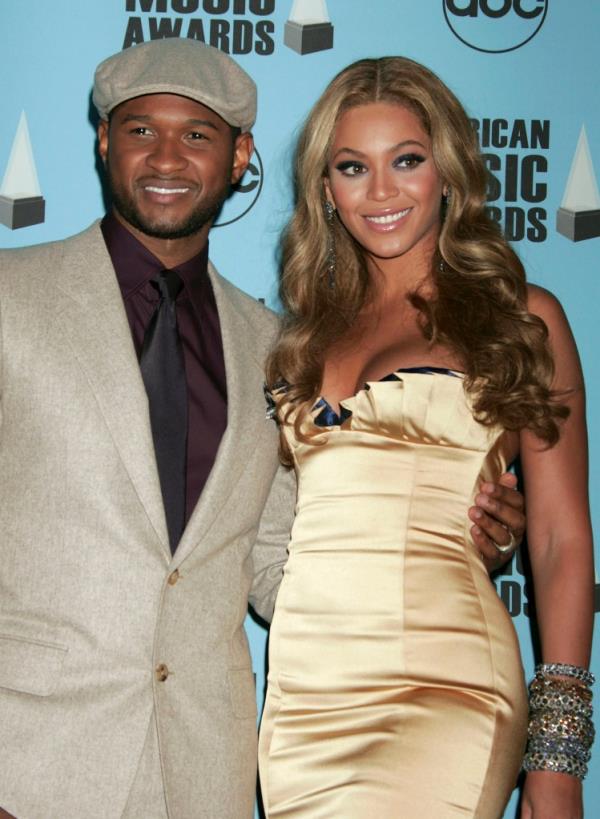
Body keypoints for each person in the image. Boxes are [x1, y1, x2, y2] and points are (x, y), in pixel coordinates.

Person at [0, 39, 523, 819]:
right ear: (104, 140)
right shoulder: (11, 299)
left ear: (242, 155)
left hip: (208, 771)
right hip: (30, 766)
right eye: (141, 130)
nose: (167, 158)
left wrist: (440, 534)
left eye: (199, 135)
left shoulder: (280, 349)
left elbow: (286, 558)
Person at [259, 57, 594, 819]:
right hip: (304, 703)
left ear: (448, 170)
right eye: (353, 167)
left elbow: (559, 539)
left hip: (444, 682)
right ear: (325, 189)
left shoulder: (521, 317)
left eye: (406, 160)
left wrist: (558, 758)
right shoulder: (301, 338)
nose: (381, 192)